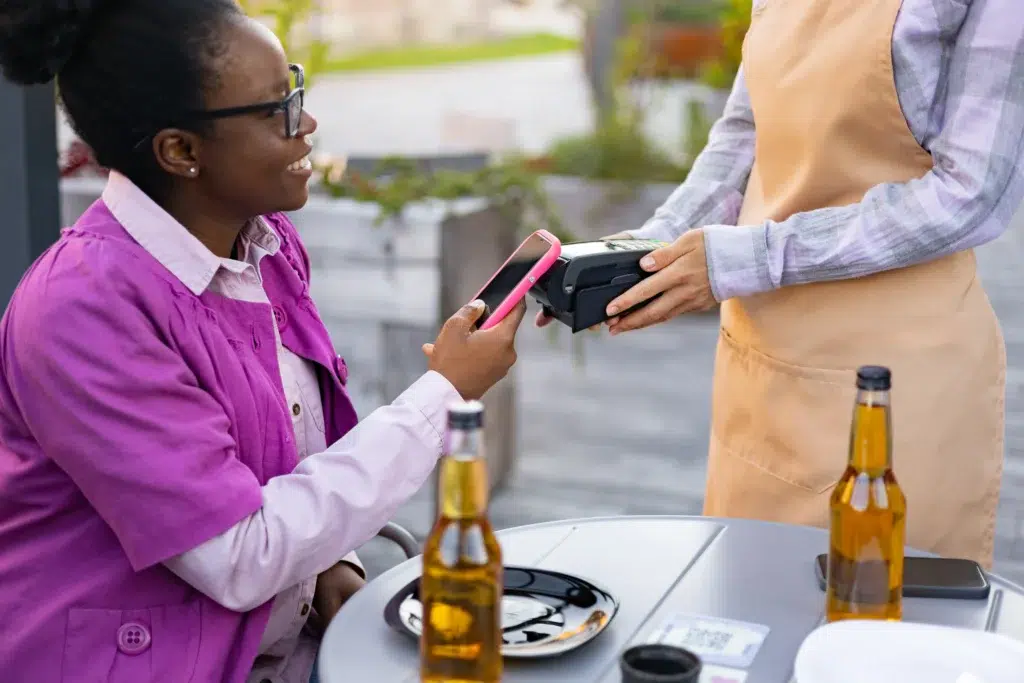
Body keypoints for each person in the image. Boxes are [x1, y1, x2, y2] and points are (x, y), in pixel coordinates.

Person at [0, 1, 525, 682]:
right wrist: (444, 394)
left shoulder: (263, 244)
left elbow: (286, 457)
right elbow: (239, 554)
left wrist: (332, 564)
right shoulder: (84, 308)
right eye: (278, 108)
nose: (306, 124)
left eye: (296, 89)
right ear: (181, 151)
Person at [561, 0, 1023, 567]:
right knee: (746, 604)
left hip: (896, 379)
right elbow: (743, 137)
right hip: (765, 364)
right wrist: (641, 253)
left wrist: (750, 257)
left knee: (875, 626)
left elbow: (971, 193)